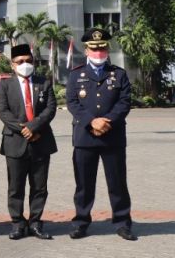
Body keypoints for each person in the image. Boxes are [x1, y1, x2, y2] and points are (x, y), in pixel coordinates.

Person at [66, 27, 136, 241]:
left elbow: (125, 102)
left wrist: (107, 121)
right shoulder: (76, 74)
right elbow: (72, 102)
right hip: (85, 137)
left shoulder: (119, 74)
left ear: (107, 49)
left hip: (112, 136)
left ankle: (123, 222)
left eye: (102, 48)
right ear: (86, 50)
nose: (98, 52)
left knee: (117, 184)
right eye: (94, 49)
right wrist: (91, 121)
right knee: (84, 185)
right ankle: (81, 222)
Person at [0, 44, 57, 240]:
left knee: (39, 186)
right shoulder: (5, 85)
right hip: (15, 142)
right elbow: (3, 112)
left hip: (41, 141)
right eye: (20, 62)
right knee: (16, 187)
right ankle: (18, 223)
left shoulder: (44, 82)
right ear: (12, 65)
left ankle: (36, 223)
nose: (25, 64)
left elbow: (50, 108)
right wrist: (24, 129)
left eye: (28, 61)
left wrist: (34, 127)